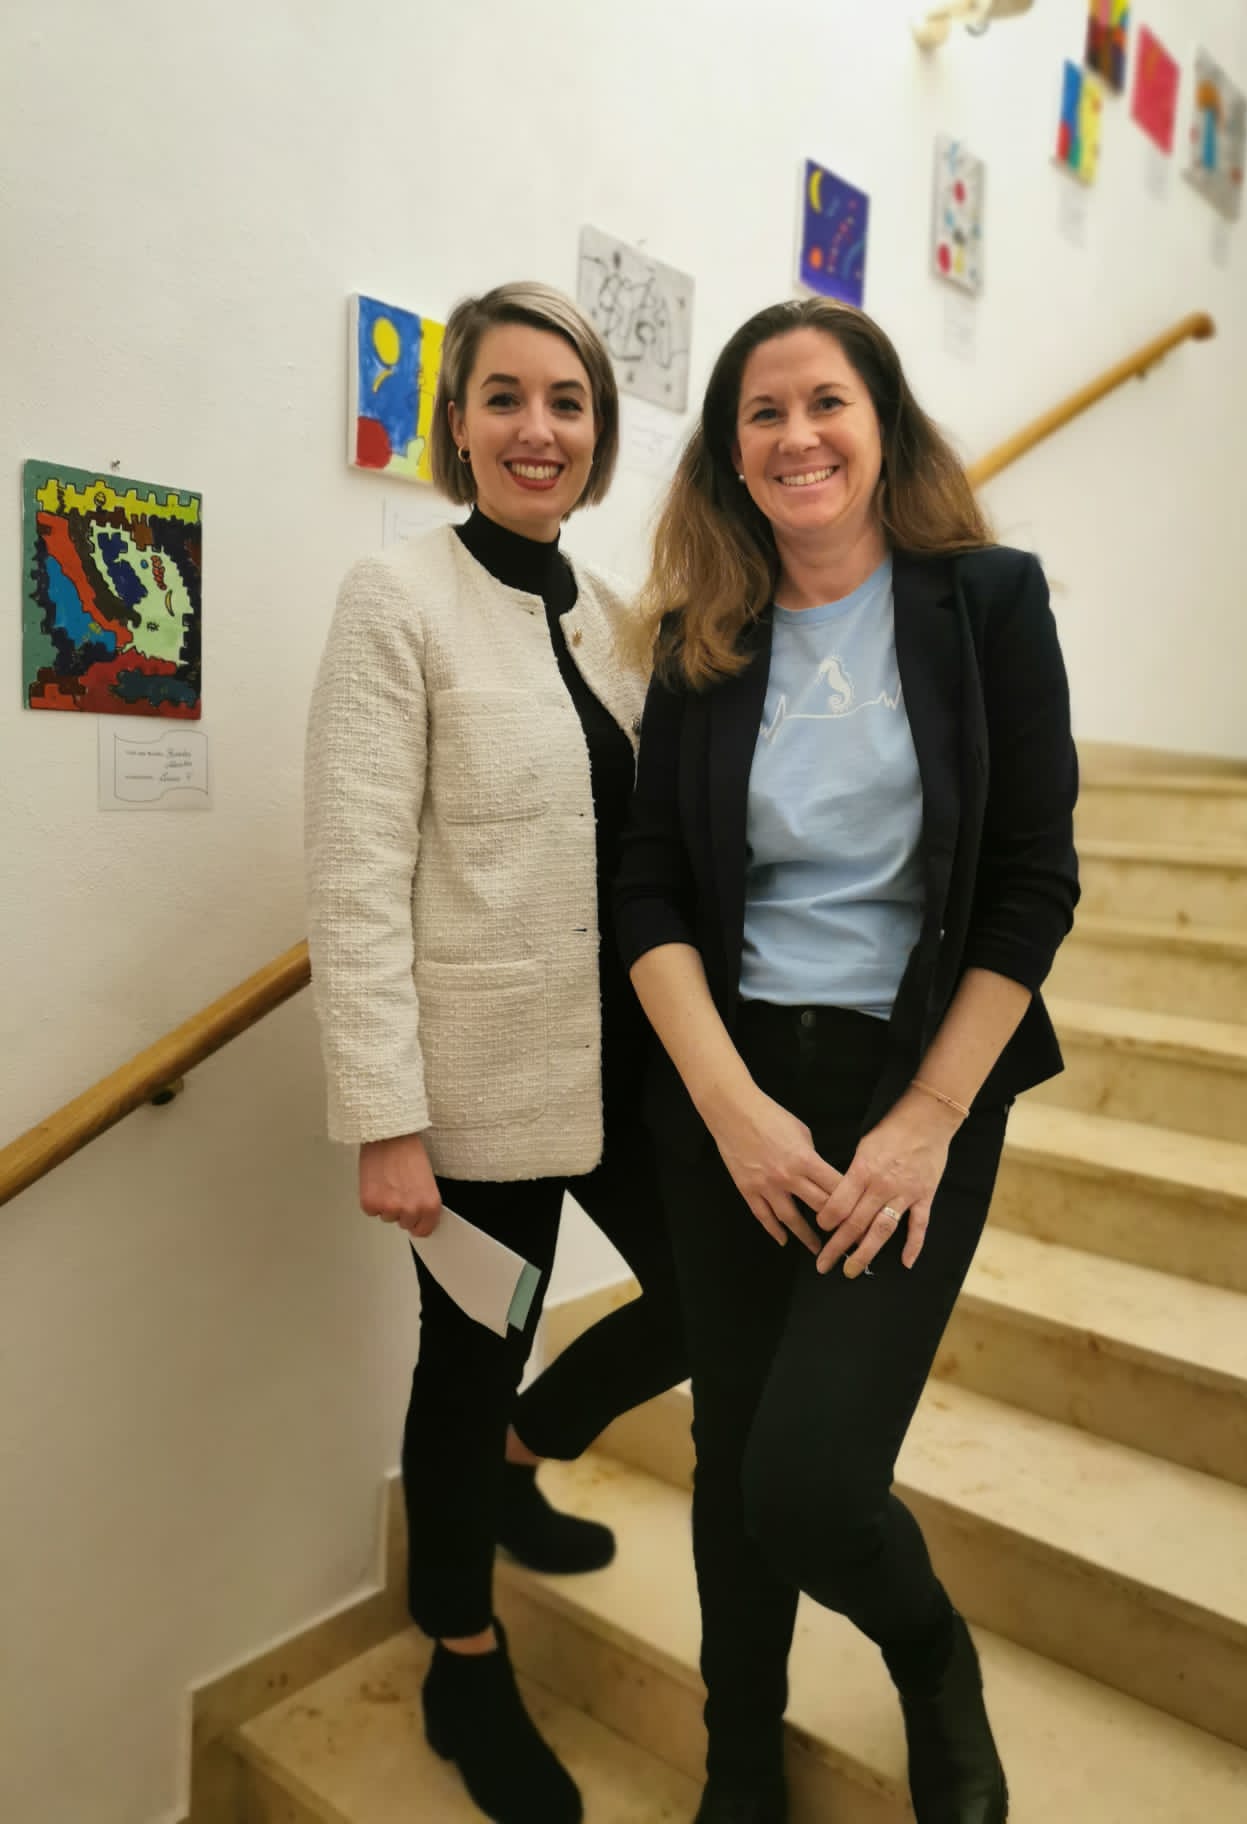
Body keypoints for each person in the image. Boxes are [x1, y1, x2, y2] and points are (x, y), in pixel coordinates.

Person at [615, 296, 1079, 1824]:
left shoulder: (987, 602)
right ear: (729, 452)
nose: (797, 435)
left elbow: (1033, 880)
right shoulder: (702, 635)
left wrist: (932, 1112)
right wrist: (729, 1107)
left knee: (808, 1486)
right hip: (732, 1090)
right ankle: (739, 1765)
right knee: (734, 1452)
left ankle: (931, 1657)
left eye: (826, 402)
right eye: (763, 412)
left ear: (881, 423)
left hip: (916, 1086)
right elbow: (649, 888)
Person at [304, 281, 687, 1824]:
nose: (540, 428)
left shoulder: (615, 617)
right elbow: (354, 879)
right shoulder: (397, 599)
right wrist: (387, 1118)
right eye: (507, 397)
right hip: (476, 1095)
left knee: (716, 1302)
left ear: (599, 435)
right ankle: (462, 1656)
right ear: (456, 423)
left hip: (635, 1073)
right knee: (468, 1365)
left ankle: (529, 1453)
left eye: (568, 402)